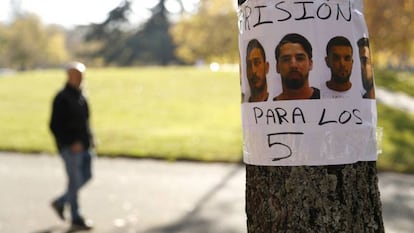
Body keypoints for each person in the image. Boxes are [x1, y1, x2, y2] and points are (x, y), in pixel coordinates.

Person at [49, 61, 94, 231]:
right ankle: (76, 217)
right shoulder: (62, 98)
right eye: (77, 75)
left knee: (87, 176)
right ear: (69, 76)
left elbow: (86, 121)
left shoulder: (81, 95)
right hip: (71, 148)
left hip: (85, 145)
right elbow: (54, 126)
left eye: (82, 75)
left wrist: (91, 138)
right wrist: (69, 143)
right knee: (74, 183)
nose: (80, 78)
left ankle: (61, 202)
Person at [273, 33, 320, 100]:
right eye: (286, 59)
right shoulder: (268, 107)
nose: (293, 65)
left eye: (299, 58)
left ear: (310, 64)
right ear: (277, 67)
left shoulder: (325, 98)